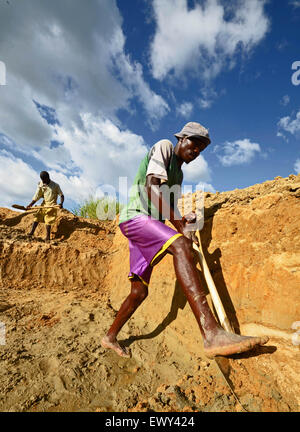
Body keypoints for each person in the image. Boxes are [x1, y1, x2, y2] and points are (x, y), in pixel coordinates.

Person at [101, 122, 269, 358]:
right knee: (179, 244)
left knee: (139, 292)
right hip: (135, 219)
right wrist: (180, 229)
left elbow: (168, 208)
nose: (197, 151)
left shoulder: (178, 174)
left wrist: (185, 226)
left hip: (151, 226)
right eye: (195, 143)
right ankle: (212, 335)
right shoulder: (165, 147)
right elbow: (151, 189)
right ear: (181, 139)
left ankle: (109, 337)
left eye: (202, 148)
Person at [26, 171, 64, 242]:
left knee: (48, 219)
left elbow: (61, 195)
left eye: (45, 180)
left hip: (52, 205)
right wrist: (30, 204)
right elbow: (37, 195)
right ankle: (31, 232)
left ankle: (47, 237)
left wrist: (61, 203)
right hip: (44, 204)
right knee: (37, 216)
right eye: (42, 180)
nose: (44, 182)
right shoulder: (41, 184)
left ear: (48, 178)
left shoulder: (55, 185)